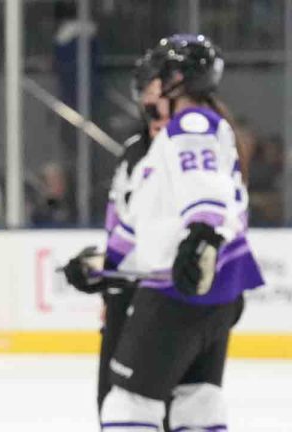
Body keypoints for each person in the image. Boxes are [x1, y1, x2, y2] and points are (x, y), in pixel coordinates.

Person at [99, 34, 264, 431]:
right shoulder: (195, 132)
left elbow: (205, 191)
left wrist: (201, 236)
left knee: (129, 407)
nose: (146, 87)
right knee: (198, 405)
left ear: (175, 80)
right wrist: (104, 268)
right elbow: (150, 220)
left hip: (176, 291)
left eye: (156, 76)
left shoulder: (191, 123)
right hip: (213, 293)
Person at [62, 48, 169, 415]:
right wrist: (104, 267)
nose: (153, 100)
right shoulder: (134, 150)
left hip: (166, 301)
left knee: (148, 410)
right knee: (112, 407)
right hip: (126, 296)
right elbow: (125, 225)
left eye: (162, 90)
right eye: (147, 91)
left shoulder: (192, 151)